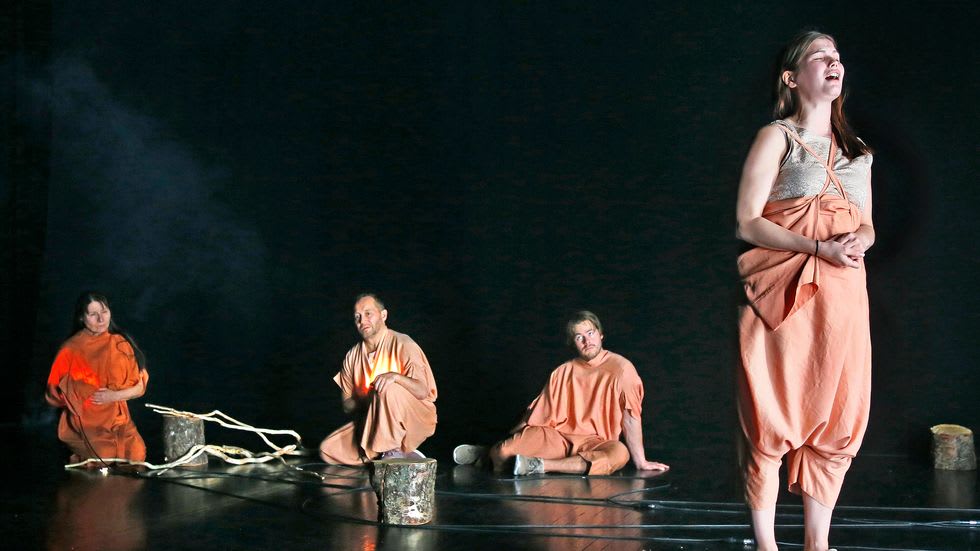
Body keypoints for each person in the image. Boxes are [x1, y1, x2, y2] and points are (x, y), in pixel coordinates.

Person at [735, 30, 874, 551]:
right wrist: (818, 248)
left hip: (843, 297)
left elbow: (868, 225)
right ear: (791, 78)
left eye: (837, 56)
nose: (834, 62)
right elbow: (747, 221)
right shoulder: (777, 137)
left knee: (837, 414)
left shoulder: (859, 152)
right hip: (783, 291)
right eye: (820, 56)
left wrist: (860, 239)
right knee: (771, 412)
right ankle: (766, 545)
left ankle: (817, 543)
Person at [455, 311, 669, 476]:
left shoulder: (622, 370)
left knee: (620, 454)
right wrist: (506, 443)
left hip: (597, 442)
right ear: (572, 343)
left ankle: (539, 465)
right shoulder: (562, 371)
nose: (587, 341)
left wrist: (641, 462)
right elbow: (537, 414)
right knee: (502, 453)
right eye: (579, 337)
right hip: (558, 438)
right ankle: (487, 453)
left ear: (601, 334)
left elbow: (630, 418)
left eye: (590, 333)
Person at [319, 293, 438, 465]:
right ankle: (390, 452)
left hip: (413, 416)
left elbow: (422, 391)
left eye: (368, 313)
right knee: (328, 450)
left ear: (383, 315)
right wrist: (370, 396)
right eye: (357, 317)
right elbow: (346, 405)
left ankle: (395, 449)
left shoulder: (404, 343)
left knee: (388, 386)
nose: (362, 321)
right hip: (372, 419)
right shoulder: (352, 355)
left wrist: (394, 377)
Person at [45, 292, 150, 463]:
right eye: (93, 314)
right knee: (105, 456)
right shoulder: (70, 349)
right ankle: (82, 457)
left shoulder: (120, 343)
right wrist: (76, 390)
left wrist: (114, 396)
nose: (101, 319)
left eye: (104, 312)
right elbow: (53, 395)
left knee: (136, 455)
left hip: (119, 421)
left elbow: (140, 386)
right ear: (82, 318)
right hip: (87, 423)